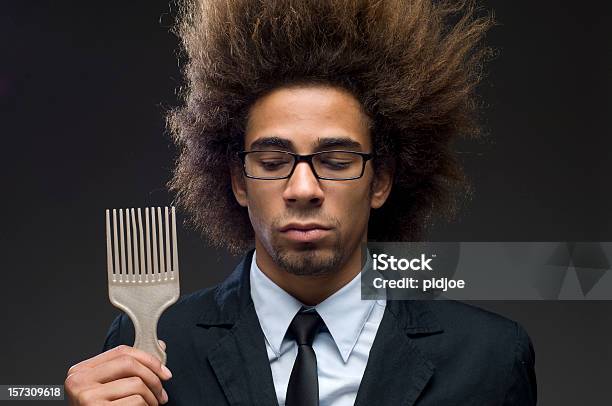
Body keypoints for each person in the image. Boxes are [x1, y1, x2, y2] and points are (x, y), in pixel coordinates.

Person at [65, 0, 537, 404]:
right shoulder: (149, 349)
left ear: (381, 181)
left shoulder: (489, 356)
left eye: (335, 160)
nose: (304, 189)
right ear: (238, 181)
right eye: (272, 161)